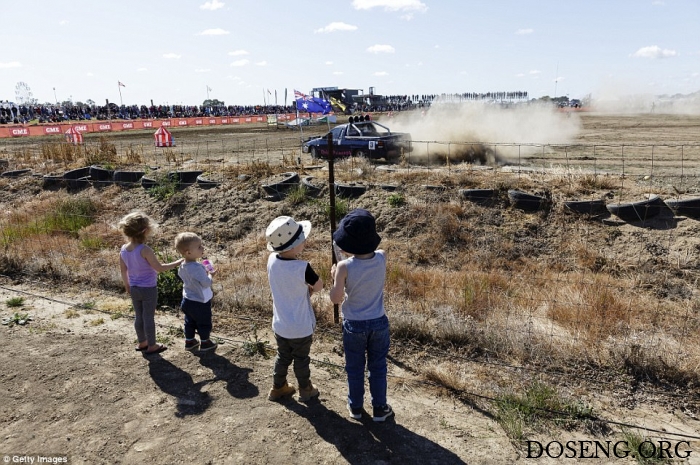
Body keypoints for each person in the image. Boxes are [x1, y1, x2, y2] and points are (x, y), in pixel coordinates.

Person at [330, 209, 394, 422]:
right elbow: (377, 254)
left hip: (354, 325)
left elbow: (335, 299)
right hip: (379, 323)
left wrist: (335, 277)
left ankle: (355, 407)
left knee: (354, 368)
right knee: (378, 366)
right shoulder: (382, 257)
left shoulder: (343, 267)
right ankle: (380, 408)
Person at [265, 216, 323, 402]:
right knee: (301, 359)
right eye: (302, 240)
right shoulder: (303, 267)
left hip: (280, 324)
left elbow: (287, 284)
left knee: (283, 356)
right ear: (293, 246)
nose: (305, 241)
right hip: (300, 327)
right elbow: (319, 286)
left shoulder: (272, 259)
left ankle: (278, 387)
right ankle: (305, 389)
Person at [118, 211, 183, 355]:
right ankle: (152, 345)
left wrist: (127, 285)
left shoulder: (123, 249)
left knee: (138, 316)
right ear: (146, 231)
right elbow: (159, 268)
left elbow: (123, 270)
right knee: (148, 317)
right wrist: (178, 262)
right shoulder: (145, 250)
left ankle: (142, 342)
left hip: (134, 288)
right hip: (148, 289)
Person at [174, 232, 217, 353]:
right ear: (188, 252)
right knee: (204, 322)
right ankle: (205, 342)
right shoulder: (197, 268)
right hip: (200, 301)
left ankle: (189, 341)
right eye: (199, 247)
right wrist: (210, 274)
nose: (202, 248)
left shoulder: (182, 265)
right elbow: (206, 283)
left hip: (187, 300)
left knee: (189, 322)